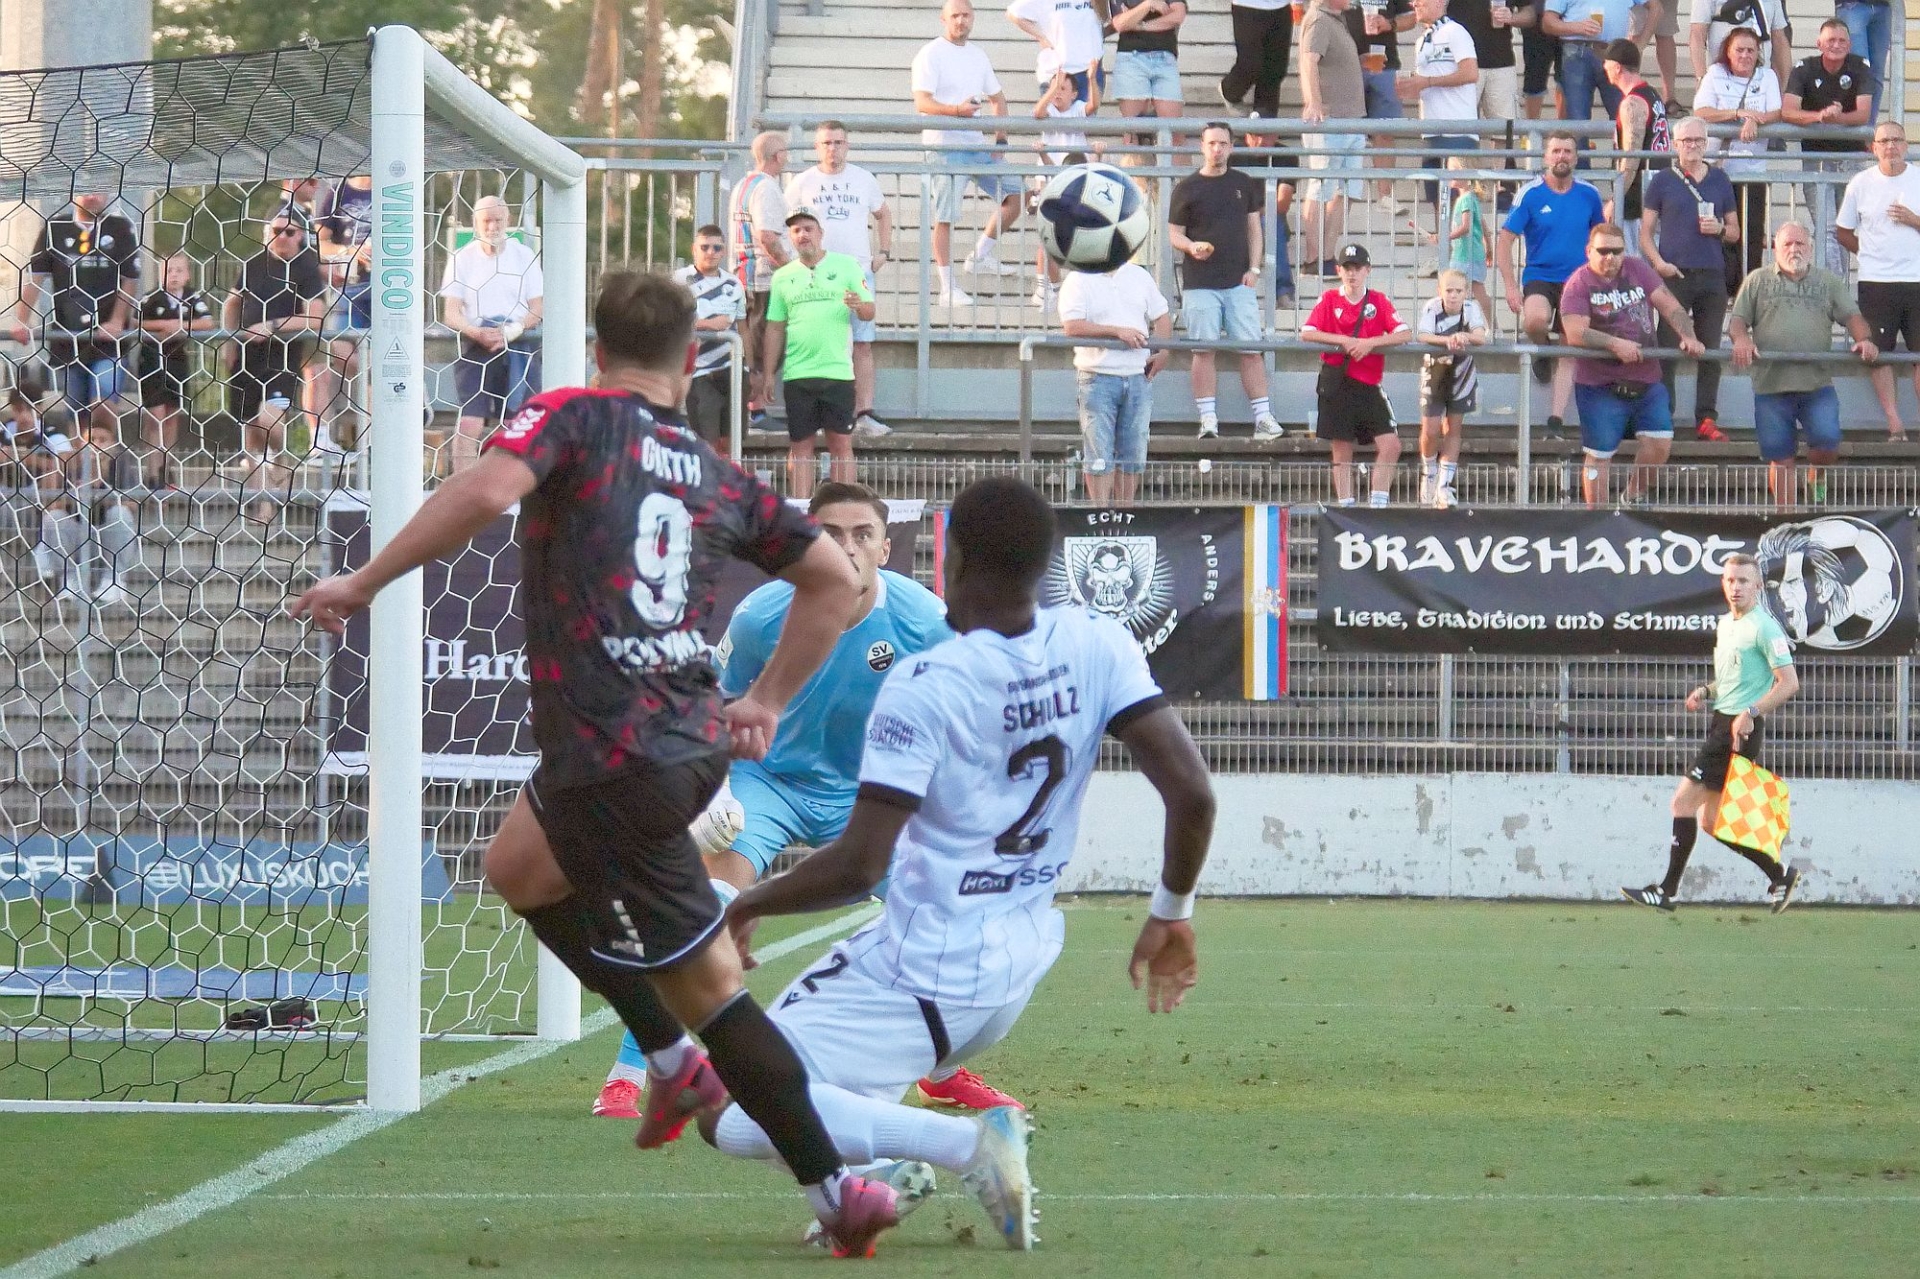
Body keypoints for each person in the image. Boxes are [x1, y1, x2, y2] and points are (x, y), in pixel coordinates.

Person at [290, 269, 903, 1259]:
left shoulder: (571, 416)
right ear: (691, 355)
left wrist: (364, 579)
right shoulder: (712, 468)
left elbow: (485, 488)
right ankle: (669, 1060)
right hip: (676, 742)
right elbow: (832, 581)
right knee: (517, 867)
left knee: (713, 991)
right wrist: (766, 701)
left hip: (616, 759)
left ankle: (837, 1190)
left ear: (597, 348)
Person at [702, 475, 1216, 1254]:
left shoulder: (926, 683)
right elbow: (1193, 792)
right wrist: (1171, 911)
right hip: (1015, 963)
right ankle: (878, 1177)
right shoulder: (1098, 642)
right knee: (825, 1090)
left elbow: (859, 863)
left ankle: (968, 1144)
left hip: (921, 970)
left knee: (735, 1098)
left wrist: (748, 903)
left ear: (955, 558)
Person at [594, 481, 1023, 1122]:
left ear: (885, 547)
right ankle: (639, 1070)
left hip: (870, 795)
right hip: (769, 782)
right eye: (831, 534)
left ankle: (940, 1070)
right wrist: (711, 793)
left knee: (943, 915)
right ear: (804, 542)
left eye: (862, 534)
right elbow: (712, 708)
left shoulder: (926, 622)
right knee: (704, 909)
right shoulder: (760, 618)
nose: (847, 547)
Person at [1621, 553, 1801, 914]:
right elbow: (1735, 679)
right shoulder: (1728, 624)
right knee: (1713, 822)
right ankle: (1779, 875)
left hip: (1738, 731)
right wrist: (1706, 691)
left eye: (1743, 581)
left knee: (1682, 804)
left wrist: (1751, 712)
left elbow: (1789, 683)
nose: (1736, 587)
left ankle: (1667, 891)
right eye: (1730, 580)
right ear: (1723, 583)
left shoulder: (1765, 628)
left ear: (1757, 586)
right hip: (1723, 722)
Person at [1729, 221, 1878, 507]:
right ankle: (1786, 518)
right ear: (1775, 248)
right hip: (1771, 386)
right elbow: (1737, 321)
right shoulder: (1757, 280)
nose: (1794, 249)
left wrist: (1865, 340)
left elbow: (1852, 316)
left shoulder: (1828, 282)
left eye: (1800, 243)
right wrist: (1741, 339)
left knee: (1827, 444)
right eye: (1787, 244)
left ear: (1810, 248)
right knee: (1780, 458)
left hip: (1816, 385)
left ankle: (1816, 476)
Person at [1558, 222, 1705, 506]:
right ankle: (1598, 517)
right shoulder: (1579, 283)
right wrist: (1614, 344)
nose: (1610, 257)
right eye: (1603, 251)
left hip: (1646, 379)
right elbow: (1575, 332)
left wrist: (1688, 335)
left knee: (1660, 441)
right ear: (1589, 251)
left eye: (1616, 251)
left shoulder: (1638, 269)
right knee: (1599, 455)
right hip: (1600, 385)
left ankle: (1632, 497)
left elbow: (1670, 305)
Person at [1169, 122, 1284, 442]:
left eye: (1222, 143)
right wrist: (1191, 247)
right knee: (1203, 351)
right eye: (1211, 143)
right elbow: (1174, 233)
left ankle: (1263, 418)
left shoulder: (1243, 183)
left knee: (1251, 350)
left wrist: (1255, 269)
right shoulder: (1186, 187)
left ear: (1231, 147)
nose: (1217, 149)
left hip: (1238, 281)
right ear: (1202, 146)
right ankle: (1208, 419)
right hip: (1199, 282)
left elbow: (1255, 229)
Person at [786, 121, 896, 438]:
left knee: (862, 343)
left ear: (847, 145)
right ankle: (821, 416)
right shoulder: (802, 182)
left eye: (838, 142)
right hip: (818, 272)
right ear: (816, 147)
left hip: (857, 271)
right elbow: (786, 222)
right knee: (820, 340)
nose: (832, 149)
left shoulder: (863, 179)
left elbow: (883, 214)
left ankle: (864, 412)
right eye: (826, 143)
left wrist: (883, 252)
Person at [912, 0, 1025, 309]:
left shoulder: (978, 55)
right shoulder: (930, 53)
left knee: (1017, 193)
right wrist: (956, 111)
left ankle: (980, 256)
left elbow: (998, 99)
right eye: (955, 16)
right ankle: (947, 288)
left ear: (973, 17)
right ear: (943, 19)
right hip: (944, 147)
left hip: (975, 144)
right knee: (945, 216)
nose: (961, 21)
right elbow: (922, 102)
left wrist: (1001, 139)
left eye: (965, 15)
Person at [759, 208, 876, 499]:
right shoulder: (783, 276)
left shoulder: (846, 266)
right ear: (790, 237)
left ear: (820, 233)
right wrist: (769, 374)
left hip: (837, 372)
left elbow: (869, 312)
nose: (803, 235)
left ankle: (844, 505)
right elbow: (775, 328)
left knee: (841, 443)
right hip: (798, 374)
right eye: (796, 230)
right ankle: (801, 508)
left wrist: (858, 305)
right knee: (800, 446)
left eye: (808, 228)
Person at [1498, 130, 1606, 436]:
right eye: (1556, 151)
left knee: (1570, 346)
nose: (1561, 156)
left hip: (1578, 280)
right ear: (1546, 156)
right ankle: (1542, 350)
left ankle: (1555, 420)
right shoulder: (1530, 193)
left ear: (1576, 157)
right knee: (1534, 320)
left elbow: (1602, 238)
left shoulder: (1588, 193)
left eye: (1567, 151)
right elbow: (1505, 241)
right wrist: (1510, 286)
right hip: (1540, 275)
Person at [1638, 115, 1737, 440]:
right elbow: (1645, 234)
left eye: (1698, 140)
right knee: (1667, 348)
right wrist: (1659, 265)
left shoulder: (1720, 179)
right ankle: (1662, 416)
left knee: (1709, 349)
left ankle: (1706, 419)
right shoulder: (1662, 181)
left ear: (1706, 143)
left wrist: (1719, 229)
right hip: (1674, 275)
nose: (1692, 146)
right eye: (1686, 141)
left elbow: (1735, 232)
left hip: (1712, 274)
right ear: (1675, 144)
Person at [11, 193, 139, 436]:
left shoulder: (120, 227)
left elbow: (130, 279)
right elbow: (34, 279)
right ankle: (79, 459)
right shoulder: (55, 227)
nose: (93, 196)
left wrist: (116, 321)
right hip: (68, 337)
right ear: (73, 194)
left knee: (103, 398)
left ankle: (104, 456)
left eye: (99, 190)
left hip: (108, 340)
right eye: (86, 190)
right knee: (76, 410)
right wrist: (22, 320)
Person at [224, 212, 325, 518]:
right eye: (276, 230)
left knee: (269, 422)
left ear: (301, 236)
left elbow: (315, 317)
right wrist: (229, 343)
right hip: (247, 359)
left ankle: (282, 461)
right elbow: (231, 303)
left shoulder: (306, 267)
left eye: (289, 231)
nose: (282, 236)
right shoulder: (253, 264)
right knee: (250, 434)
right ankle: (265, 504)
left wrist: (272, 326)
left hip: (281, 358)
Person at [440, 195, 545, 473]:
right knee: (469, 424)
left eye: (498, 220)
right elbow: (451, 312)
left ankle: (508, 486)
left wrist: (511, 331)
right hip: (476, 347)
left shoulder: (524, 255)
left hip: (518, 346)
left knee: (515, 425)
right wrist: (476, 332)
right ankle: (462, 487)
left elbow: (537, 308)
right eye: (486, 220)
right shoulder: (462, 258)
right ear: (475, 222)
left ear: (508, 220)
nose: (492, 226)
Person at [1302, 243, 1412, 505]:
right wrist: (1343, 340)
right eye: (1347, 268)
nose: (1352, 273)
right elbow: (1307, 332)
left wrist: (1369, 343)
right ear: (1339, 271)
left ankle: (1377, 505)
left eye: (1358, 268)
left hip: (1368, 383)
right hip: (1337, 381)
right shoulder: (1329, 299)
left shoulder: (1378, 300)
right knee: (1341, 448)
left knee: (1391, 445)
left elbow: (1404, 333)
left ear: (1367, 270)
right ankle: (1346, 506)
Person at [1060, 253, 1172, 505]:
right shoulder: (1078, 278)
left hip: (1137, 376)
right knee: (1099, 454)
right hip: (1096, 375)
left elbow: (1162, 315)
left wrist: (1164, 351)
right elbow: (1072, 326)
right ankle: (1101, 513)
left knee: (1133, 453)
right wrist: (1117, 332)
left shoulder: (1139, 275)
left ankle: (1125, 513)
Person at [1834, 120, 1920, 443]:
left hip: (1916, 278)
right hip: (1876, 281)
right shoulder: (1861, 183)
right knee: (1879, 354)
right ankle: (1895, 425)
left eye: (1896, 140)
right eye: (1883, 141)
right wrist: (1869, 253)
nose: (1890, 146)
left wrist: (1913, 220)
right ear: (1873, 148)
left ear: (1906, 145)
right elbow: (1843, 231)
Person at [1782, 20, 1876, 274]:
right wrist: (1819, 117)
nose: (1836, 45)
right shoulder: (1804, 68)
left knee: (1844, 230)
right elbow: (1788, 111)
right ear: (1819, 44)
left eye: (1842, 40)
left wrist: (1836, 118)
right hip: (1816, 159)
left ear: (1850, 44)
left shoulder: (1859, 66)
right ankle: (1835, 286)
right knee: (1826, 228)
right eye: (1830, 40)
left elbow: (1863, 114)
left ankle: (1838, 287)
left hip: (1851, 160)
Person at [1691, 27, 1783, 279]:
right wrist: (1737, 113)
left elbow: (1775, 112)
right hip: (1716, 170)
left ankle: (1747, 289)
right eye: (1739, 50)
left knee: (1750, 235)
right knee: (1717, 233)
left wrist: (1754, 120)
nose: (1745, 55)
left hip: (1752, 171)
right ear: (1728, 52)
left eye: (1750, 50)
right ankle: (1720, 288)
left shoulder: (1767, 76)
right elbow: (1702, 111)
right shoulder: (1715, 73)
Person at [1298, 0, 1368, 278]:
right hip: (1330, 121)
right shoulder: (1318, 18)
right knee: (1321, 187)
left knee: (1347, 190)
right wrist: (1314, 102)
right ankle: (1313, 258)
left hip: (1352, 120)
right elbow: (1308, 60)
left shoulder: (1336, 19)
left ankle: (1327, 255)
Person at [135, 252, 215, 489]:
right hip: (152, 361)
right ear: (160, 274)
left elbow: (208, 322)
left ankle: (166, 468)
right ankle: (152, 473)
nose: (174, 275)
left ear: (188, 274)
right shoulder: (151, 298)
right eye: (169, 270)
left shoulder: (192, 297)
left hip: (178, 362)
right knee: (156, 417)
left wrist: (181, 326)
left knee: (171, 417)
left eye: (179, 270)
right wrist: (163, 326)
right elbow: (135, 322)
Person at [730, 132, 793, 422]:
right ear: (777, 156)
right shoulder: (767, 188)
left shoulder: (743, 185)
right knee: (761, 346)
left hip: (743, 276)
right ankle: (754, 410)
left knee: (751, 344)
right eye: (785, 151)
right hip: (762, 279)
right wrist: (790, 267)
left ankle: (751, 408)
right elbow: (767, 236)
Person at [1415, 268, 1489, 506]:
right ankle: (1429, 472)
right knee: (1430, 429)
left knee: (1453, 428)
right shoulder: (1432, 308)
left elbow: (1480, 336)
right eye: (1449, 290)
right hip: (1434, 373)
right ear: (1440, 291)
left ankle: (1444, 485)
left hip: (1461, 373)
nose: (1453, 295)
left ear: (1466, 292)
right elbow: (1423, 335)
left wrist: (1464, 337)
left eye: (1458, 291)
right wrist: (1447, 340)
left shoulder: (1471, 308)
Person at [672, 225, 749, 452]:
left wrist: (752, 368)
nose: (710, 252)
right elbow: (668, 319)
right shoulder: (679, 281)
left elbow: (743, 327)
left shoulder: (734, 284)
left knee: (732, 441)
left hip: (733, 369)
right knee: (706, 443)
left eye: (716, 248)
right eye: (704, 247)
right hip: (700, 371)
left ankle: (728, 476)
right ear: (694, 249)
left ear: (723, 251)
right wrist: (708, 325)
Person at [1029, 71, 1101, 314]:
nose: (1057, 92)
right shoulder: (1048, 108)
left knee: (1069, 239)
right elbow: (1037, 112)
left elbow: (1093, 105)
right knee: (1046, 238)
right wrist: (1052, 90)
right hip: (1048, 179)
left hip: (1074, 182)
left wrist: (1092, 78)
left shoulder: (1078, 108)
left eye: (1062, 88)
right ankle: (1047, 288)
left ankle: (1061, 289)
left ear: (1074, 93)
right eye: (1054, 87)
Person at [1400, 0, 1480, 216]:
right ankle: (1446, 241)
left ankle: (1481, 239)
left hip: (1459, 130)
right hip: (1431, 132)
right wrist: (1411, 87)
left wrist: (1427, 82)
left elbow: (1470, 73)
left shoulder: (1456, 31)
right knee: (1439, 204)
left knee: (1463, 204)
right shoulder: (1421, 40)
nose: (1414, 4)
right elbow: (1427, 82)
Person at [311, 175, 374, 451]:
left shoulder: (392, 189)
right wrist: (351, 251)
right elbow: (320, 244)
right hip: (349, 288)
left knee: (386, 358)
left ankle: (372, 442)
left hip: (388, 290)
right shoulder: (338, 192)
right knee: (341, 351)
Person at [1347, 0, 1414, 213]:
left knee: (1385, 131)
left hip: (1385, 63)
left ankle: (1385, 196)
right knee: (1346, 130)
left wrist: (1389, 24)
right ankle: (1342, 193)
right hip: (1346, 65)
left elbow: (1412, 17)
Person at [1541, 0, 1645, 136]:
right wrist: (1576, 27)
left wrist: (1641, 42)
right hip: (1577, 53)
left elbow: (1656, 8)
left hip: (1616, 55)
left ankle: (1625, 151)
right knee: (1577, 123)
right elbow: (1548, 23)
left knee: (1624, 118)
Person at [1603, 40, 1670, 235]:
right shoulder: (1652, 94)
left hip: (1638, 199)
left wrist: (1615, 200)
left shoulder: (1632, 102)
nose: (1604, 67)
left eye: (1607, 63)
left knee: (1635, 253)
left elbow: (1631, 158)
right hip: (1656, 190)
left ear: (1617, 67)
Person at [1419, 156, 1493, 321]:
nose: (1448, 173)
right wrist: (1489, 247)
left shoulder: (1466, 199)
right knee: (1464, 291)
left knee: (1467, 291)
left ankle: (1492, 327)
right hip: (1467, 255)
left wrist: (1444, 237)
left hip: (1466, 256)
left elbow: (1466, 227)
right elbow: (1484, 226)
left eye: (1453, 170)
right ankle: (1464, 324)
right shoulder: (1470, 198)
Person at [1107, 0, 1185, 153]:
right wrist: (1149, 4)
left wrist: (1141, 25)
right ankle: (1136, 170)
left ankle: (1175, 170)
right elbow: (1120, 23)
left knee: (1174, 131)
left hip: (1165, 58)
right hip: (1131, 57)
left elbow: (1178, 15)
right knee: (1132, 132)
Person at [1239, 113, 1299, 307]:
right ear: (1246, 135)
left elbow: (1282, 204)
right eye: (1254, 135)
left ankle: (1283, 292)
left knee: (1270, 222)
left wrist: (1253, 214)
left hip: (1265, 217)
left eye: (1265, 135)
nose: (1259, 141)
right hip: (1236, 217)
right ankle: (1235, 291)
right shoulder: (1233, 153)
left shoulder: (1285, 155)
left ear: (1275, 135)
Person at [1008, 0, 1109, 103]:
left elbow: (1108, 18)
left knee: (1087, 113)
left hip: (1090, 72)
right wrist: (1041, 37)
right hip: (1057, 73)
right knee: (1054, 114)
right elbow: (1014, 13)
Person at [1685, 0, 1788, 87]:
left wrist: (1785, 87)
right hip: (1722, 80)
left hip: (1761, 80)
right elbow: (1697, 35)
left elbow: (1780, 40)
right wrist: (1701, 79)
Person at [1220, 0, 1294, 119]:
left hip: (1282, 7)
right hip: (1247, 6)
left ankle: (1265, 118)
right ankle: (1230, 90)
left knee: (1275, 68)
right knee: (1251, 64)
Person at [1832, 0, 1891, 118]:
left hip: (1884, 6)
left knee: (1876, 75)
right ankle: (1854, 125)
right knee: (1858, 71)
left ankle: (1868, 126)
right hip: (1852, 6)